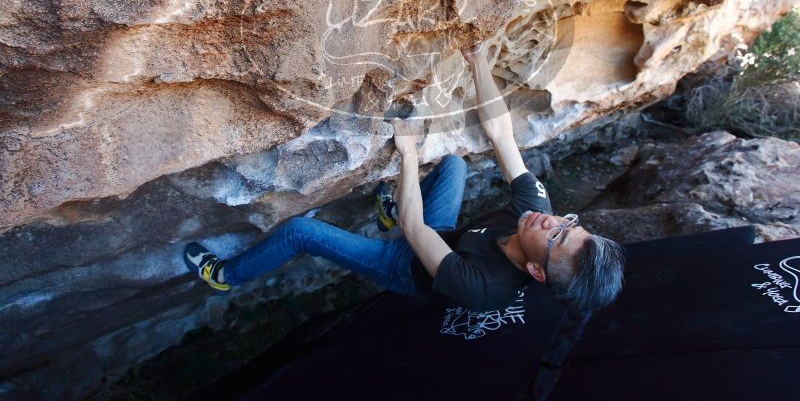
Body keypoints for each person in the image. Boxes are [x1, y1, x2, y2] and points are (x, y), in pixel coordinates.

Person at [184, 43, 625, 312]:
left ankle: (226, 276)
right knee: (453, 165)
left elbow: (417, 232)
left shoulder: (483, 289)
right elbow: (500, 133)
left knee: (301, 231)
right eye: (569, 223)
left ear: (536, 271)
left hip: (406, 266)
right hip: (442, 236)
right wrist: (479, 62)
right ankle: (389, 215)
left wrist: (408, 153)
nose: (553, 223)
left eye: (556, 239)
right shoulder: (537, 217)